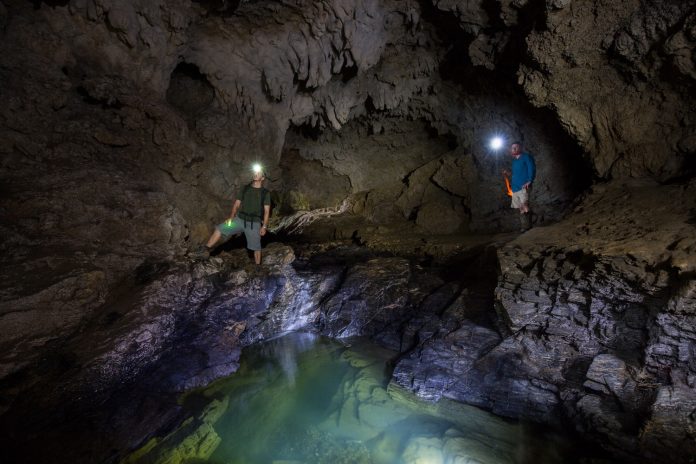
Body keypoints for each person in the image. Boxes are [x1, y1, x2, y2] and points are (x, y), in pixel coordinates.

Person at [194, 169, 271, 264]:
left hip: (254, 223)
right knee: (219, 229)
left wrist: (264, 226)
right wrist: (231, 217)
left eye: (258, 173)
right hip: (240, 219)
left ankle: (258, 267)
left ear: (262, 178)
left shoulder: (265, 193)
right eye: (255, 172)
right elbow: (236, 204)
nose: (256, 174)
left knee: (256, 248)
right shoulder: (245, 188)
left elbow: (267, 211)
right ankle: (204, 250)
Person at [505, 141, 536, 231]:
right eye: (512, 148)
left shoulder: (526, 157)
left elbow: (531, 168)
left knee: (524, 205)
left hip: (523, 186)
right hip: (515, 188)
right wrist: (508, 173)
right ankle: (524, 227)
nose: (514, 149)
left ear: (520, 148)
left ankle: (528, 226)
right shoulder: (514, 161)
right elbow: (515, 174)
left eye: (516, 147)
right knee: (520, 208)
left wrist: (530, 180)